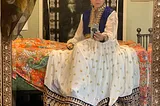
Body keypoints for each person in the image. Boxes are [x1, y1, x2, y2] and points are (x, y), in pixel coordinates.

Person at [44, 0, 140, 105]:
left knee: (80, 49)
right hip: (87, 45)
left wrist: (103, 37)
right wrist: (72, 42)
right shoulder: (85, 15)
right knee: (67, 52)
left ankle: (79, 91)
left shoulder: (111, 13)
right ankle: (76, 90)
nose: (97, 0)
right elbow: (78, 36)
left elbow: (110, 35)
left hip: (105, 46)